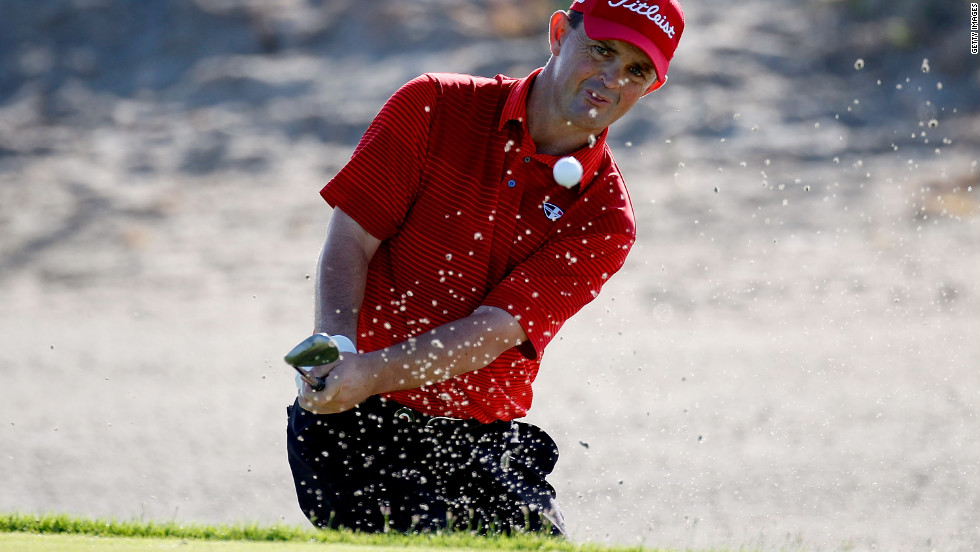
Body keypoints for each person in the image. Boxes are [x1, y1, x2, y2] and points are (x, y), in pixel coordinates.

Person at [286, 0, 685, 536]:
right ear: (558, 33)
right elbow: (352, 237)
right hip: (358, 422)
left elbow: (494, 331)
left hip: (479, 442)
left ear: (651, 87)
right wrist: (337, 351)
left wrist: (366, 373)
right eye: (601, 50)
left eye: (636, 70)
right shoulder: (433, 105)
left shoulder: (606, 217)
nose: (610, 80)